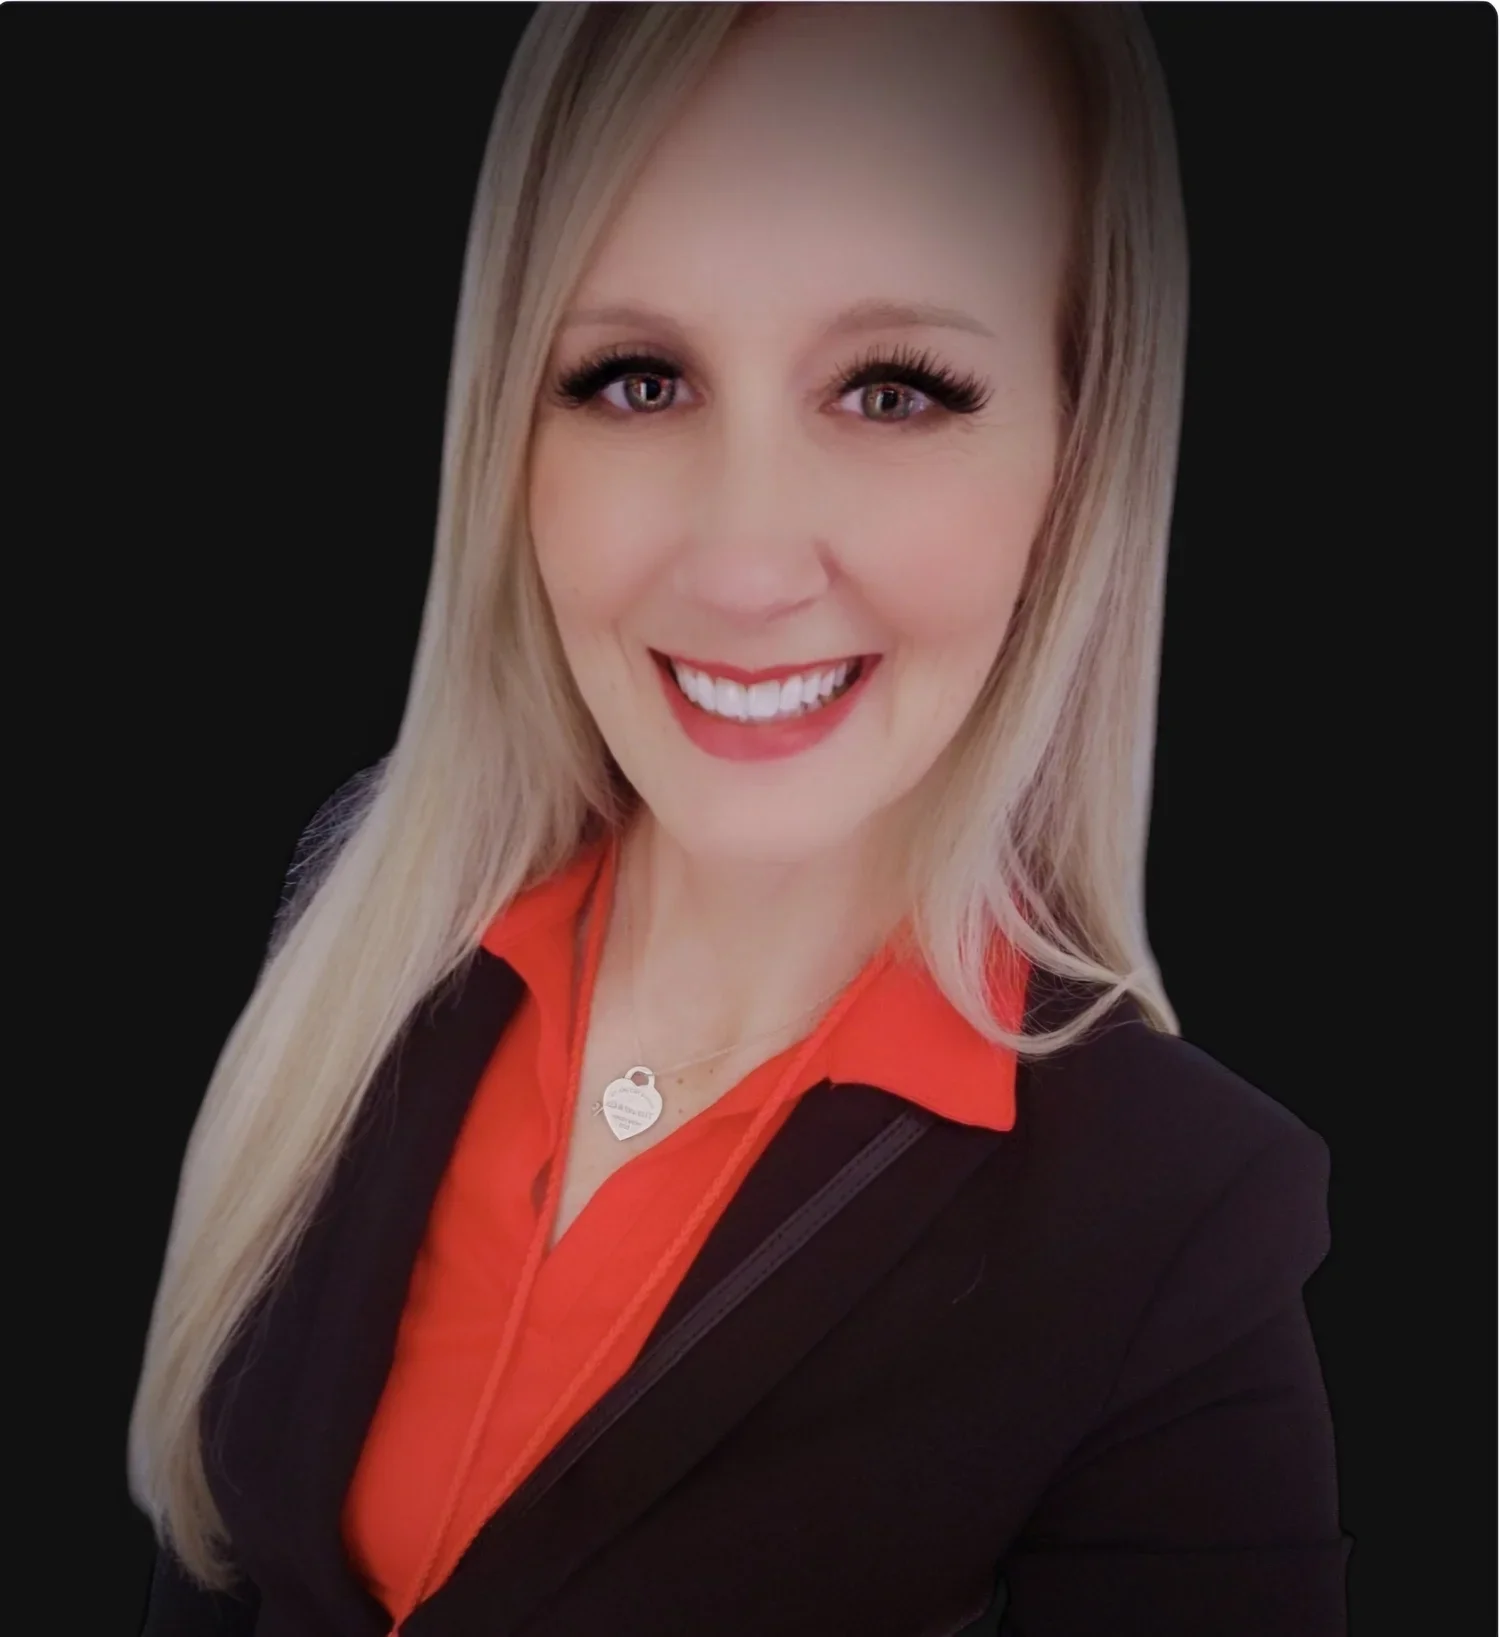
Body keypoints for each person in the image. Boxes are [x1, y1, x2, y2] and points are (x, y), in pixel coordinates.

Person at [129, 4, 1350, 1633]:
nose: (746, 563)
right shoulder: (368, 970)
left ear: (1080, 451)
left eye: (897, 391)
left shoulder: (1177, 1231)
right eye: (636, 380)